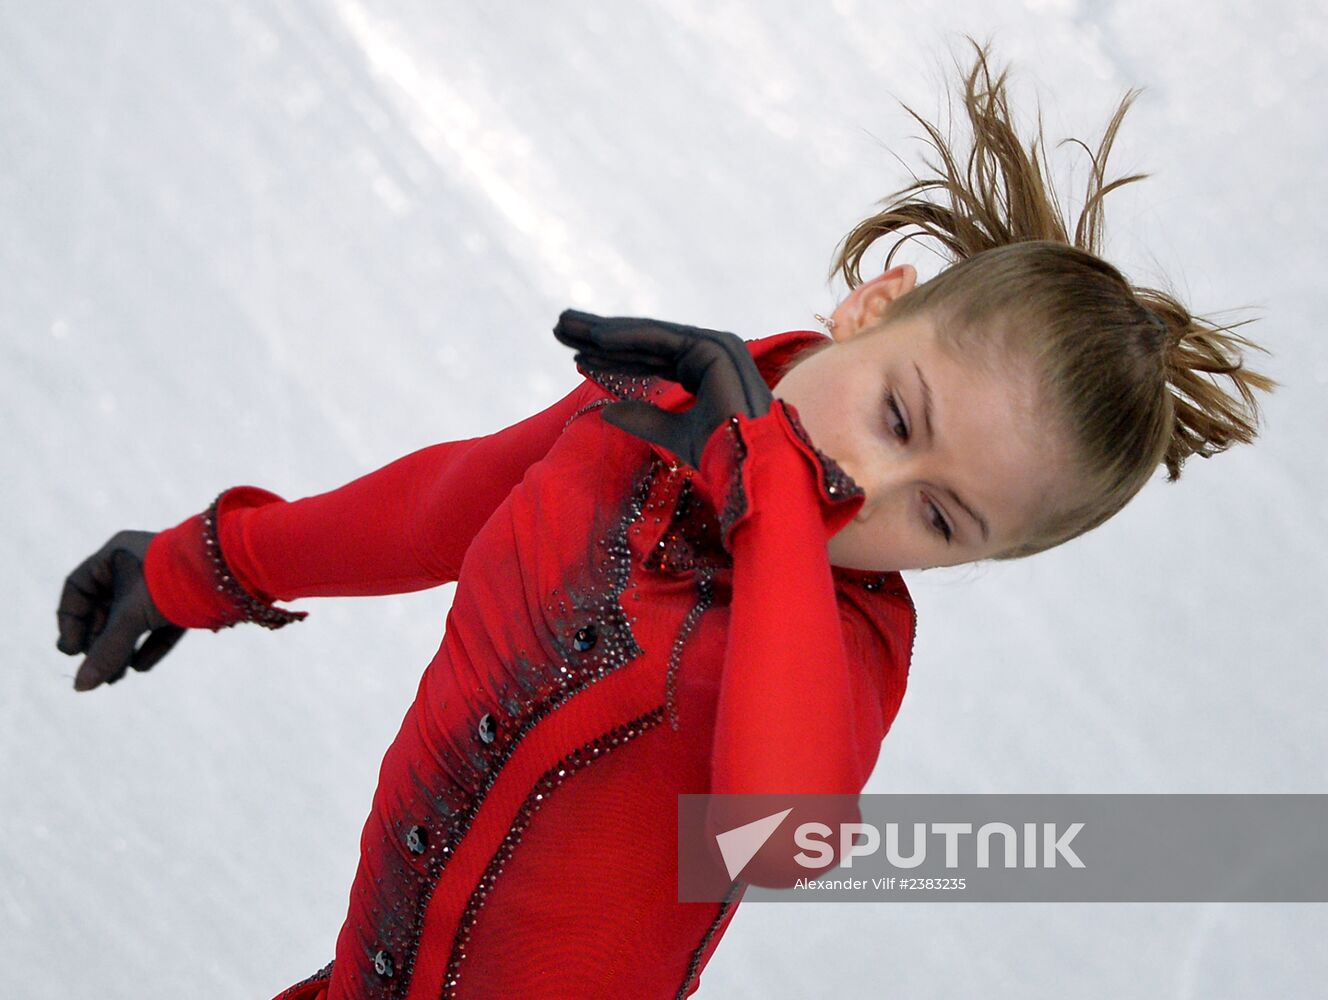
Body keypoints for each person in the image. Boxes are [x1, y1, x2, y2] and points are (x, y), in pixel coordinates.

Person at [53, 37, 1274, 1000]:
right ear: (870, 304)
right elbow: (445, 505)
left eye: (942, 521)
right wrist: (203, 563)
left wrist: (769, 499)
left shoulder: (841, 646)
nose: (868, 486)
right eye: (899, 419)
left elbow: (778, 834)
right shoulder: (654, 406)